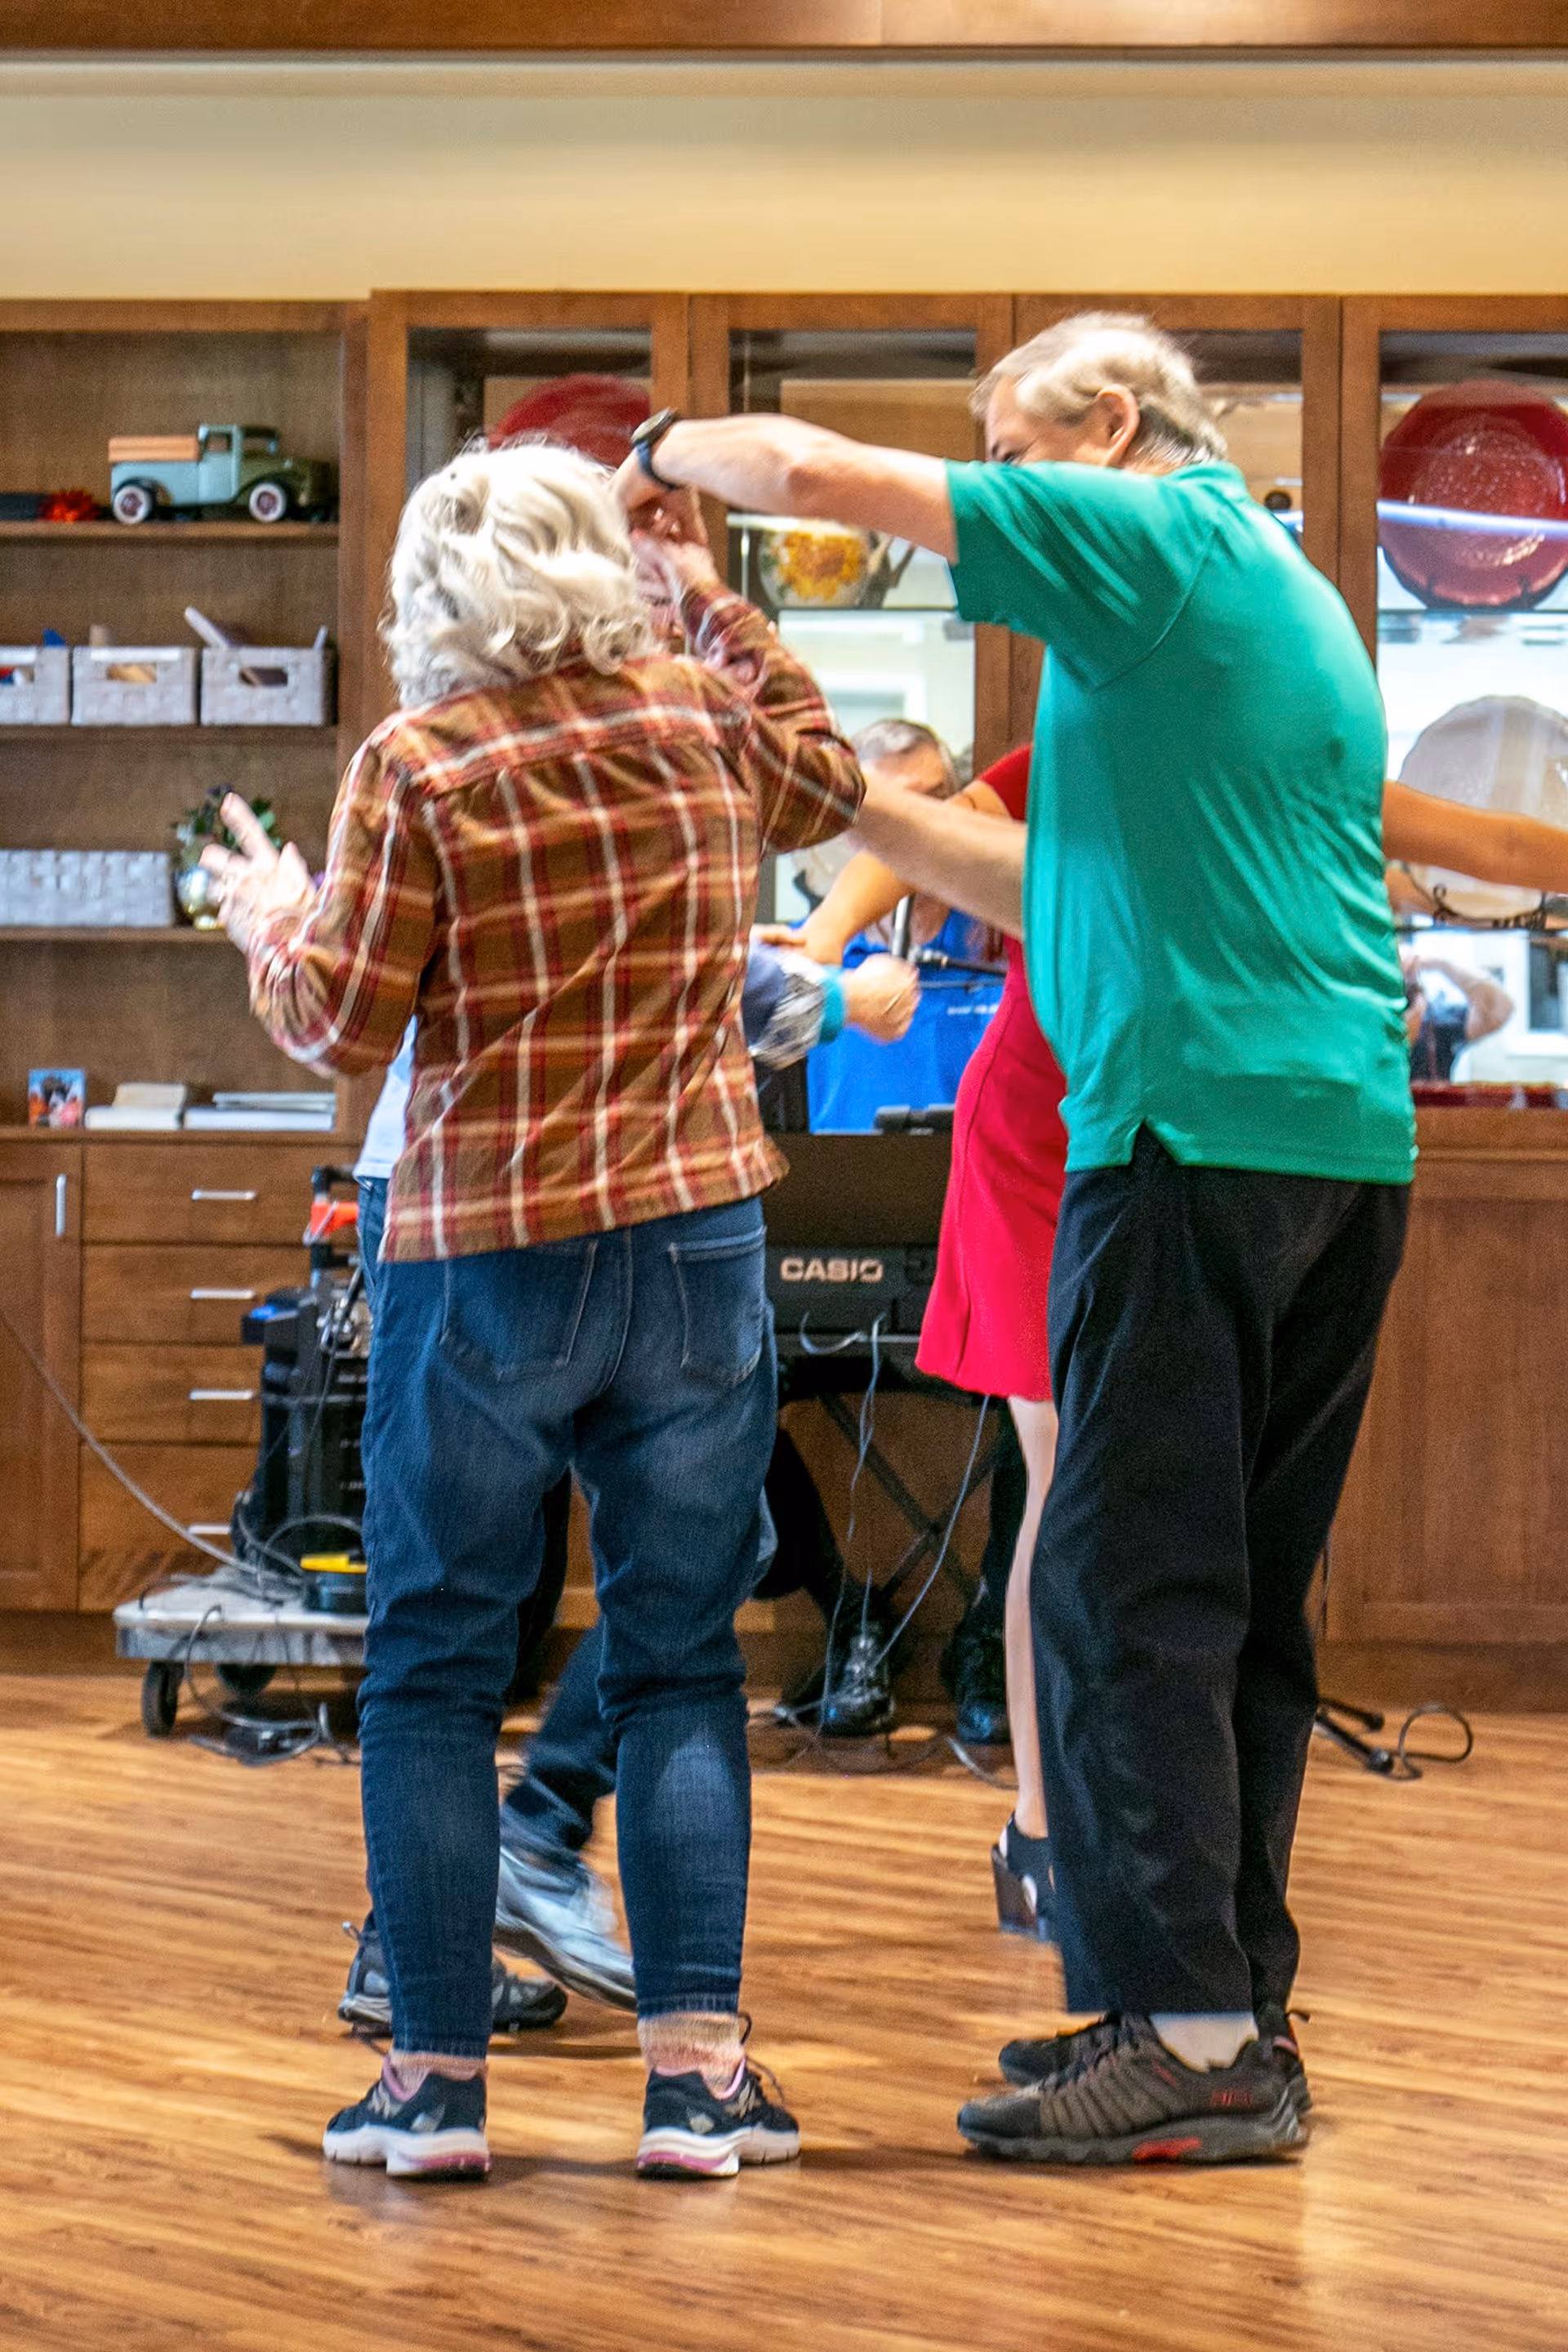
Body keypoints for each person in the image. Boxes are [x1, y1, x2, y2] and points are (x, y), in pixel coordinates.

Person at [617, 312, 1416, 2166]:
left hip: (1194, 1134)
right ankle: (1211, 2014)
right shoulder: (1239, 604)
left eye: (1010, 444)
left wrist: (656, 458)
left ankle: (1197, 2040)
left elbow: (814, 479)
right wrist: (808, 772)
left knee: (1124, 1589)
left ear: (1111, 424)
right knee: (1224, 1604)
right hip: (1320, 1145)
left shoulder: (1160, 540)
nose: (997, 482)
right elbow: (1021, 878)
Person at [203, 441, 862, 2180]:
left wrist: (270, 914)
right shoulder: (697, 720)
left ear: (430, 593)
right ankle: (698, 2083)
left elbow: (341, 1023)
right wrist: (705, 583)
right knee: (675, 1667)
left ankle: (430, 2090)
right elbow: (829, 773)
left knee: (434, 1668)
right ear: (611, 568)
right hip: (697, 1240)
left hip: (482, 1249)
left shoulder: (417, 761)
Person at [339, 937, 920, 2034]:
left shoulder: (429, 764)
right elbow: (662, 953)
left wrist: (275, 918)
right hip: (588, 1194)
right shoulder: (657, 765)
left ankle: (422, 1977)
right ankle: (541, 1852)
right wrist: (843, 995)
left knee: (457, 1615)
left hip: (476, 1184)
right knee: (635, 1604)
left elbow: (348, 992)